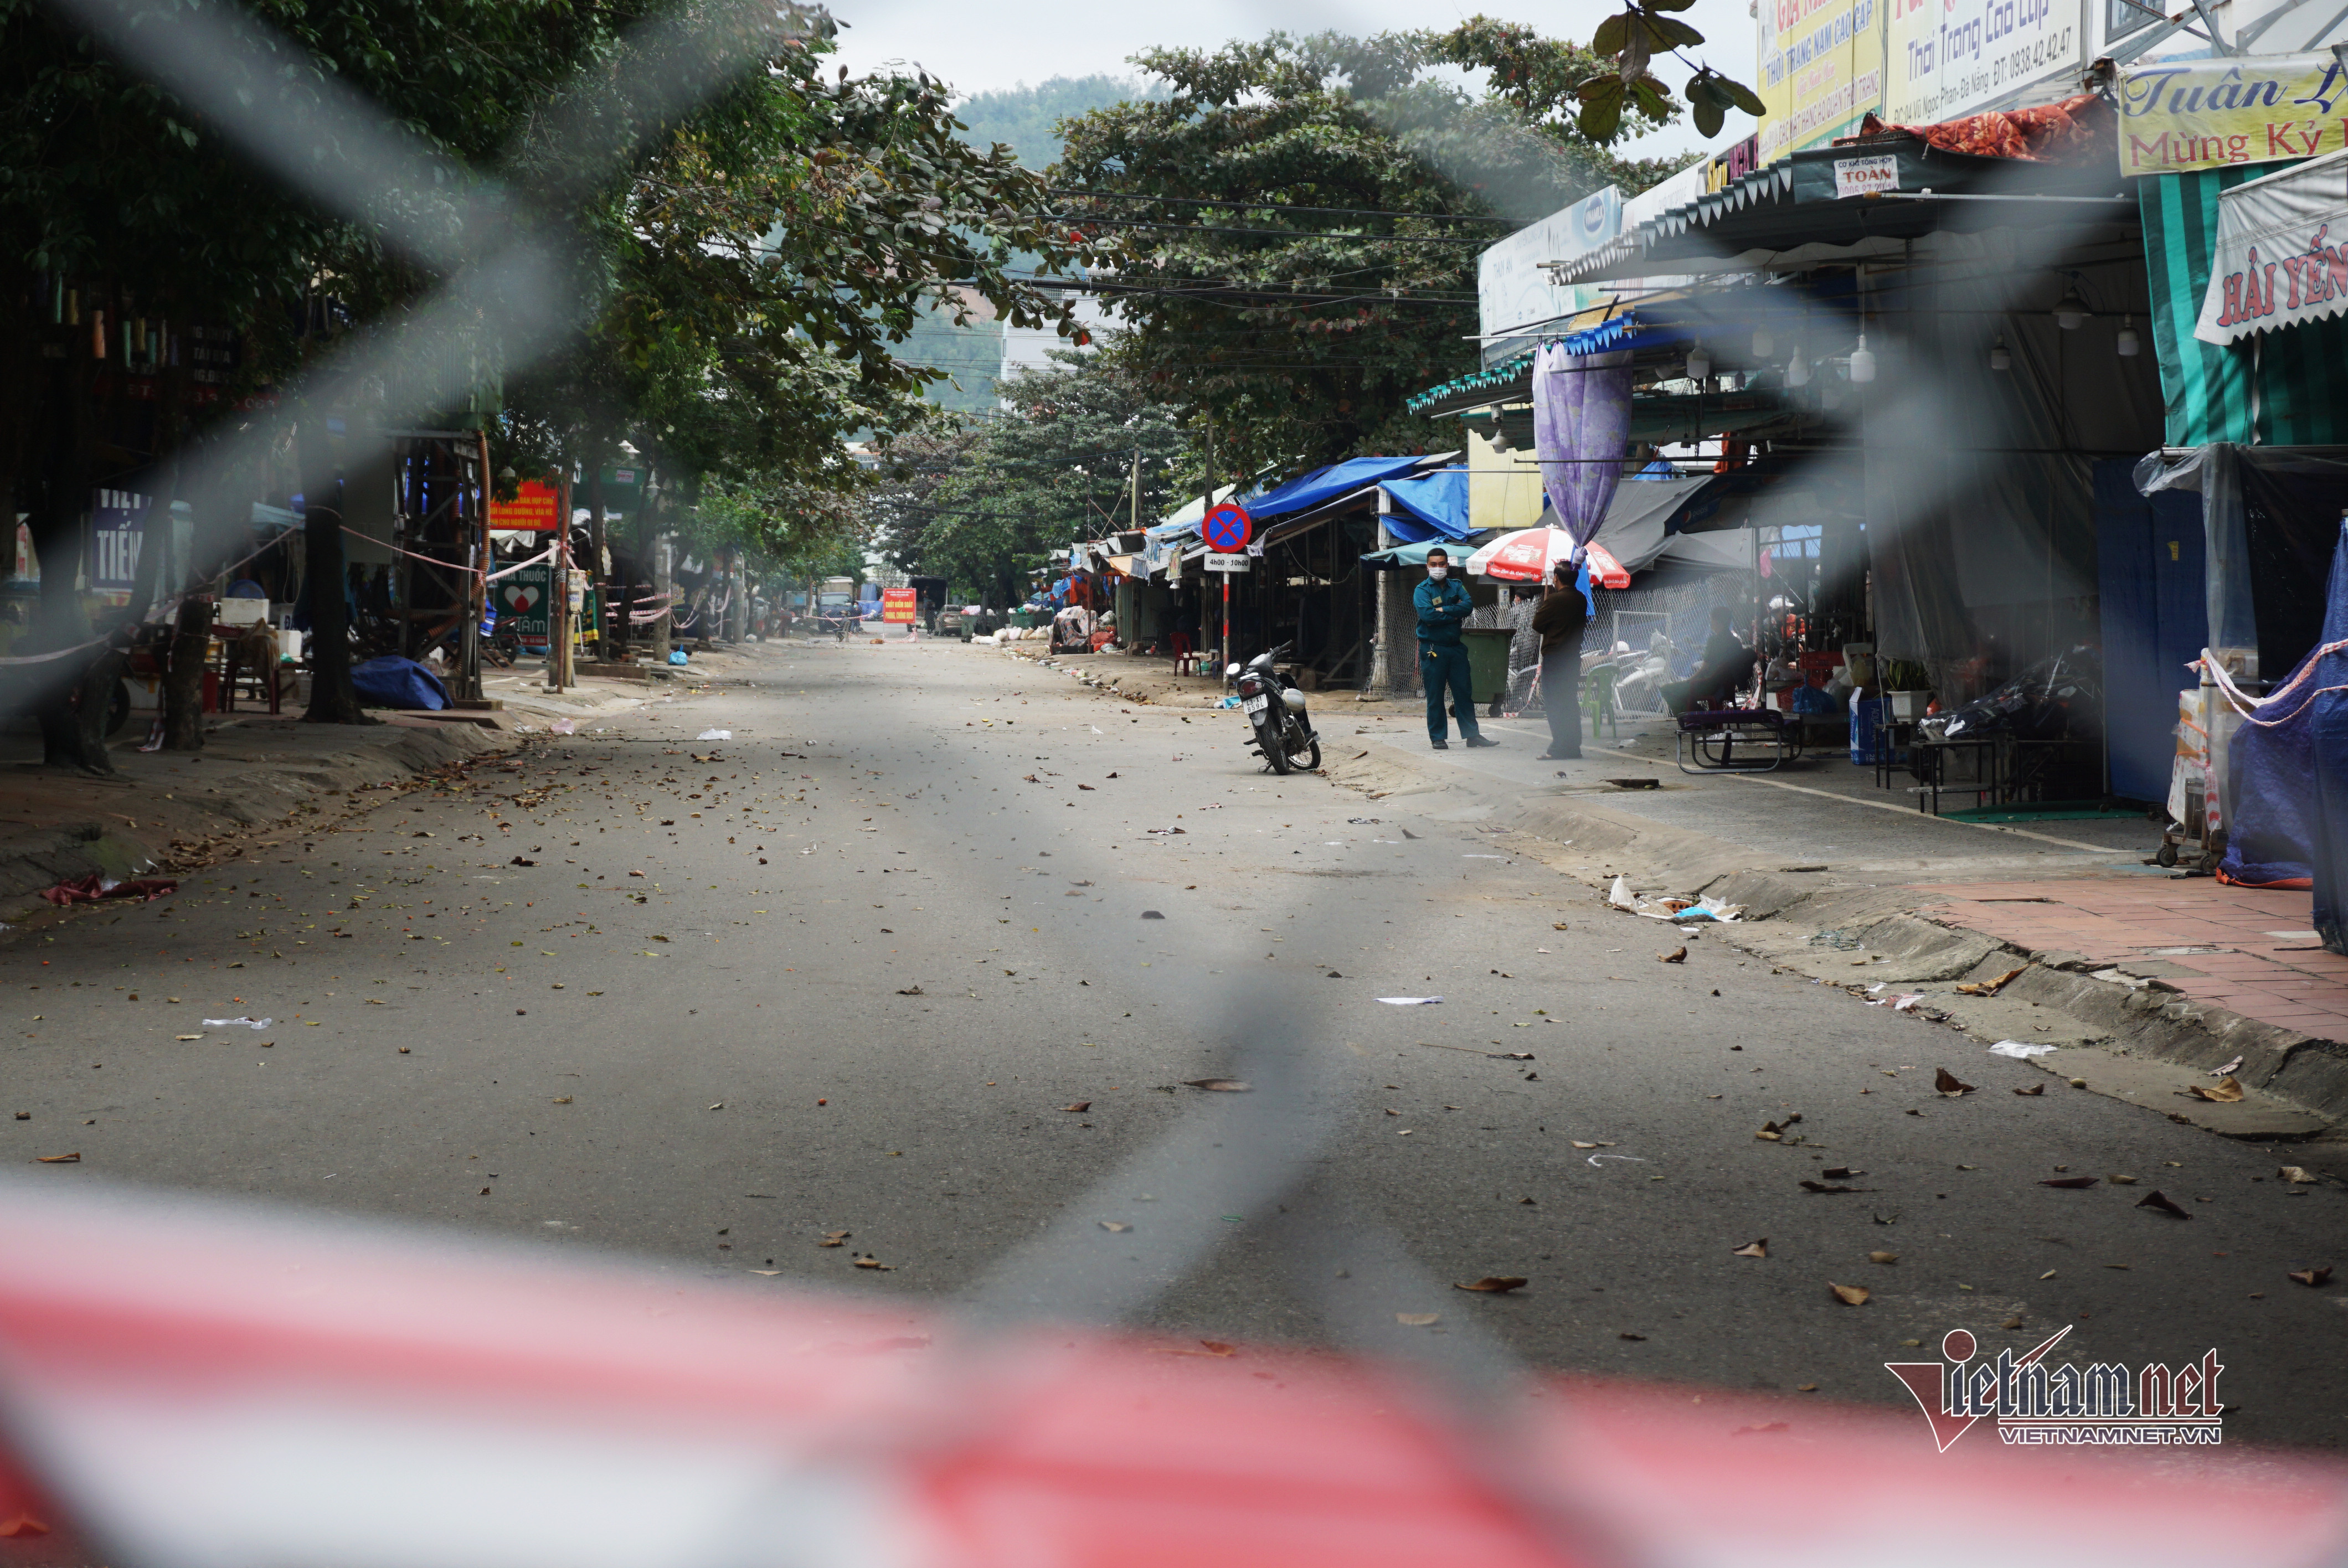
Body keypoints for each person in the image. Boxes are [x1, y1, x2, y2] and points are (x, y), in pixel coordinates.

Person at [1412, 547, 1496, 750]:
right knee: (1435, 695)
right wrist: (1454, 614)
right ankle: (1438, 737)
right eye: (1434, 565)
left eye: (1442, 564)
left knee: (1464, 693)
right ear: (1427, 566)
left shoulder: (1457, 586)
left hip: (1456, 648)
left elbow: (1468, 606)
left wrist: (1444, 610)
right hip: (1433, 649)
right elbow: (1428, 616)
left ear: (1447, 565)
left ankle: (1472, 736)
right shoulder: (1422, 590)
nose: (1438, 568)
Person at [1532, 559, 1589, 759]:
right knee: (1569, 702)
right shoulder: (1581, 599)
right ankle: (1573, 747)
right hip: (1572, 657)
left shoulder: (1555, 600)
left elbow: (1538, 625)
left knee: (1555, 703)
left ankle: (1559, 748)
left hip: (1556, 658)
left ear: (1556, 578)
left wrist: (1546, 598)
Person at [1664, 606, 1755, 714]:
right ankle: (1700, 717)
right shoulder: (1736, 642)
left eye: (1711, 620)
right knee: (1680, 692)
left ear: (1717, 622)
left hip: (1709, 685)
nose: (1711, 623)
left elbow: (1705, 668)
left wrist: (1689, 681)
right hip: (1727, 686)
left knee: (1667, 690)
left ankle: (1696, 718)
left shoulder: (1714, 641)